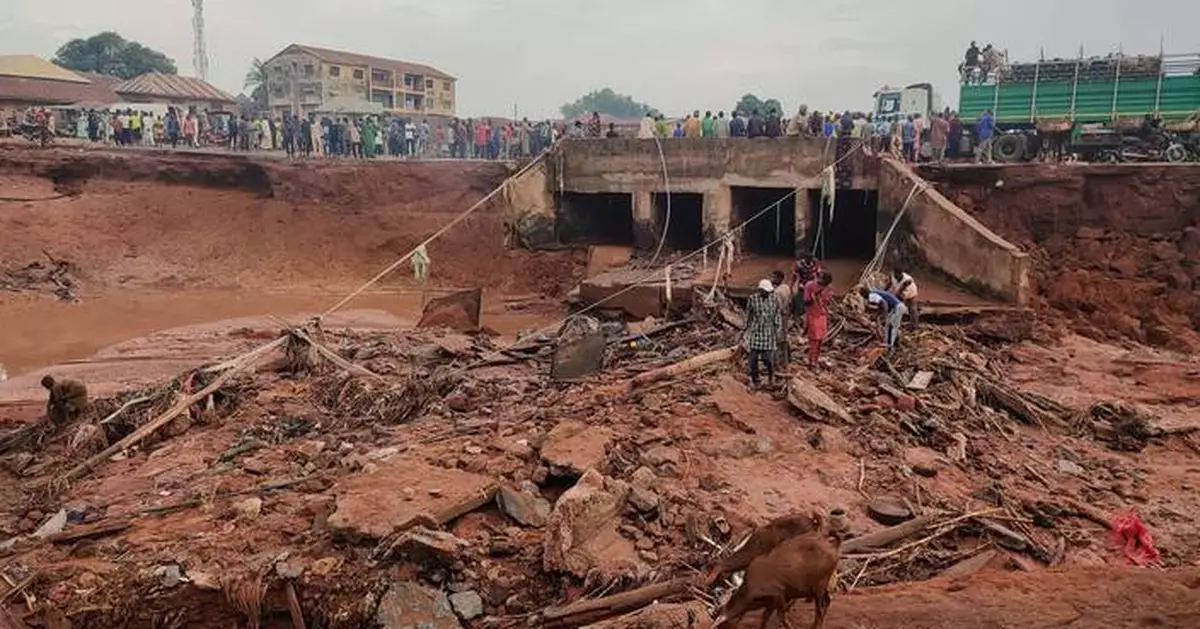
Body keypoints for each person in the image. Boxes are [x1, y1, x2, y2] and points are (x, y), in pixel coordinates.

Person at [744, 279, 782, 389]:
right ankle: (756, 379)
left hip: (769, 333)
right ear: (760, 290)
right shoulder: (752, 299)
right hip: (756, 332)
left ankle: (771, 374)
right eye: (765, 291)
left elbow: (777, 315)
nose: (768, 293)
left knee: (768, 359)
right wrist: (746, 328)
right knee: (753, 359)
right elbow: (748, 315)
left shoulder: (774, 299)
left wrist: (777, 330)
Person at [803, 271, 834, 366]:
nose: (825, 284)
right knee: (814, 340)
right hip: (812, 315)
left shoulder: (828, 288)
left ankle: (815, 360)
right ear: (821, 278)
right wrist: (814, 296)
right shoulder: (809, 285)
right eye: (824, 282)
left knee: (820, 340)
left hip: (822, 315)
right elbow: (806, 302)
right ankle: (811, 362)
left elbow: (826, 303)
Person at [770, 270, 793, 367]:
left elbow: (776, 308)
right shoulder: (786, 287)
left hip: (779, 317)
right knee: (784, 338)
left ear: (779, 278)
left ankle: (776, 362)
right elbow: (790, 301)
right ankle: (786, 359)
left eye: (774, 277)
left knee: (776, 340)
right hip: (785, 316)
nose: (772, 279)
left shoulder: (777, 292)